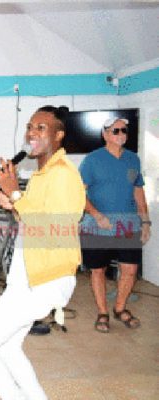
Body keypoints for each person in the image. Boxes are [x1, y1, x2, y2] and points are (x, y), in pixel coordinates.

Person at [0, 106, 86, 399]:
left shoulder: (64, 175)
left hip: (44, 283)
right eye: (30, 127)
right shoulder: (43, 174)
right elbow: (33, 219)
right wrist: (11, 203)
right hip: (25, 281)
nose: (32, 132)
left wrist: (16, 194)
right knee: (6, 347)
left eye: (41, 128)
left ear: (59, 135)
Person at [79, 117, 151, 333]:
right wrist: (96, 215)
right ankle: (102, 312)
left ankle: (120, 308)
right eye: (116, 130)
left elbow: (138, 190)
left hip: (128, 225)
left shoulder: (133, 160)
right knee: (98, 271)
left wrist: (145, 221)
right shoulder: (92, 161)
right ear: (105, 134)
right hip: (96, 226)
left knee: (130, 270)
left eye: (124, 131)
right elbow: (78, 194)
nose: (121, 134)